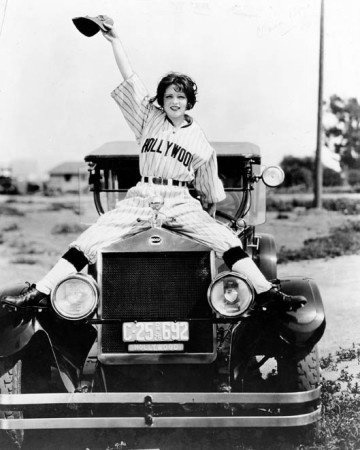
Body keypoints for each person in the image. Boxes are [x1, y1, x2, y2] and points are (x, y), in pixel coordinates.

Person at [1, 17, 306, 311]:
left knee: (226, 239)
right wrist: (114, 40)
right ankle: (40, 291)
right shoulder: (150, 118)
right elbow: (129, 77)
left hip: (180, 200)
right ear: (161, 99)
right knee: (88, 240)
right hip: (143, 195)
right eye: (170, 95)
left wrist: (204, 223)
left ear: (189, 102)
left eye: (181, 96)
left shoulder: (201, 142)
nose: (175, 101)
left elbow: (211, 196)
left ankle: (266, 293)